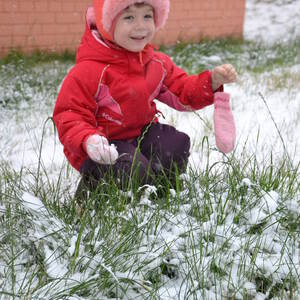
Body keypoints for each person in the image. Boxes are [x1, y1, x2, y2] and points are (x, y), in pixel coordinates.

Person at [53, 0, 237, 198]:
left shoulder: (155, 63)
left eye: (147, 16)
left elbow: (183, 91)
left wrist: (211, 82)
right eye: (129, 17)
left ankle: (158, 194)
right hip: (103, 146)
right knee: (132, 169)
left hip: (140, 134)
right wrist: (88, 140)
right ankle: (91, 196)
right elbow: (70, 114)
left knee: (174, 145)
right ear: (107, 24)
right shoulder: (89, 70)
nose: (140, 26)